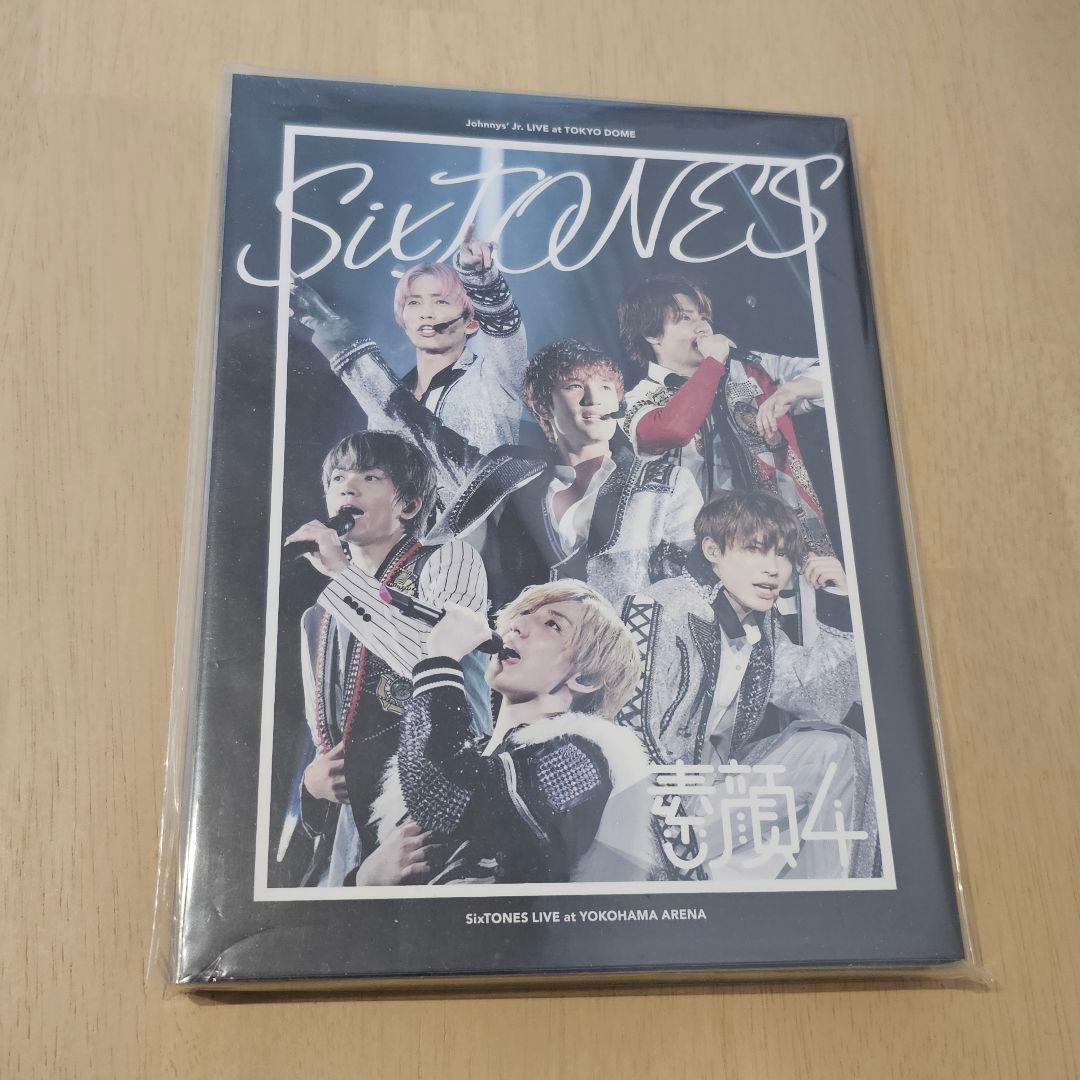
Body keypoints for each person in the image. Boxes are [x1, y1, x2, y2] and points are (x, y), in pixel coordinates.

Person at [618, 490, 876, 880]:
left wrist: (841, 602)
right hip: (652, 817)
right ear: (712, 551)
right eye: (755, 550)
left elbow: (818, 699)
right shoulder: (659, 609)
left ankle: (824, 901)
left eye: (783, 555)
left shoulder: (759, 625)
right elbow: (631, 739)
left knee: (836, 748)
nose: (773, 569)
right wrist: (670, 829)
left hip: (713, 799)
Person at [284, 431, 490, 887]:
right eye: (338, 478)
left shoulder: (448, 560)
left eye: (370, 477)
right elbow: (325, 732)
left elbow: (434, 661)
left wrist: (341, 575)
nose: (348, 487)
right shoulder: (317, 617)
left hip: (434, 809)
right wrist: (312, 784)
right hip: (352, 832)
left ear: (409, 506)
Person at [368, 581, 656, 884]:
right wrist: (363, 879)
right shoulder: (468, 757)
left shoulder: (583, 761)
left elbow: (446, 797)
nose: (517, 625)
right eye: (524, 613)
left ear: (585, 678)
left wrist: (442, 660)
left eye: (553, 625)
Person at [422, 338, 703, 607]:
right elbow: (447, 556)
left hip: (621, 639)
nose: (593, 398)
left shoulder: (667, 484)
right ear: (543, 405)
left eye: (606, 387)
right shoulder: (511, 474)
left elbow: (690, 588)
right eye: (575, 386)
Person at [288, 227, 527, 511]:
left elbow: (505, 330)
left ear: (471, 322)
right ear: (402, 318)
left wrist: (480, 278)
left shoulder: (496, 378)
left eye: (441, 301)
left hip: (489, 535)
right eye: (414, 302)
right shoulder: (384, 401)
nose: (426, 312)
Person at [618, 274, 834, 557]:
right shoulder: (638, 398)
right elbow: (672, 431)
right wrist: (713, 363)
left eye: (703, 317)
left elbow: (836, 373)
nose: (703, 327)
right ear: (652, 333)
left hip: (788, 540)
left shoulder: (754, 369)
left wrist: (790, 391)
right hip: (706, 551)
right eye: (685, 318)